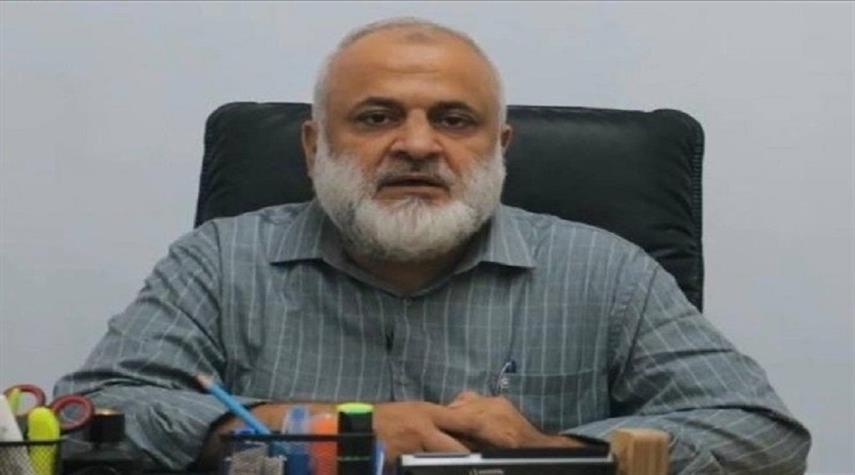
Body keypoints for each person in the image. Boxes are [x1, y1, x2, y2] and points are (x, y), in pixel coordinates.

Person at [55, 18, 811, 474]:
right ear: (314, 145)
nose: (416, 145)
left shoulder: (606, 270)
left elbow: (762, 433)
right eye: (376, 117)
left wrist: (554, 451)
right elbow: (87, 415)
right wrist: (325, 431)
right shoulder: (219, 260)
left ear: (499, 146)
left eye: (453, 120)